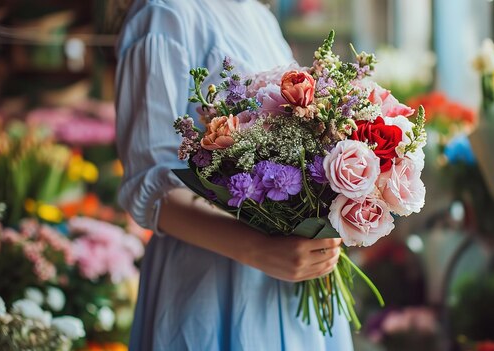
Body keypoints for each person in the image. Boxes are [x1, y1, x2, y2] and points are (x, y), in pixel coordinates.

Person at [115, 1, 353, 350]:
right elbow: (147, 185)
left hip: (292, 280)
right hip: (210, 282)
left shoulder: (259, 16)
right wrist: (259, 251)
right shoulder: (165, 14)